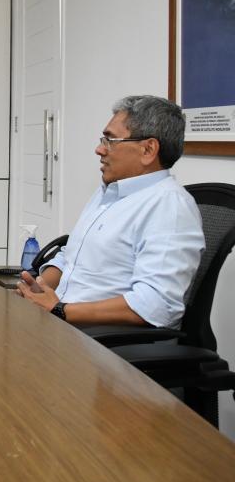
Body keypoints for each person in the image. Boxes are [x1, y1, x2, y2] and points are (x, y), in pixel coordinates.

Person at [16, 95, 205, 328]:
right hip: (65, 323)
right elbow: (71, 257)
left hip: (105, 343)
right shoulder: (110, 191)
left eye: (109, 140)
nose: (99, 149)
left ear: (148, 149)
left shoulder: (169, 207)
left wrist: (60, 310)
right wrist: (37, 288)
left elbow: (157, 305)